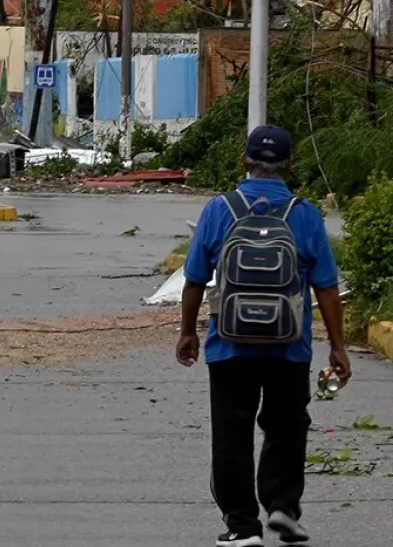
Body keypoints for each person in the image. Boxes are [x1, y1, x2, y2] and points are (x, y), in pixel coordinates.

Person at [177, 125, 350, 547]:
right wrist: (338, 346)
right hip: (289, 348)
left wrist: (187, 333)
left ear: (244, 163)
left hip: (229, 345)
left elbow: (195, 279)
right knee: (287, 426)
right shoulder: (304, 214)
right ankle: (282, 508)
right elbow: (326, 288)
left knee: (231, 432)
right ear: (289, 165)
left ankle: (241, 526)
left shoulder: (219, 210)